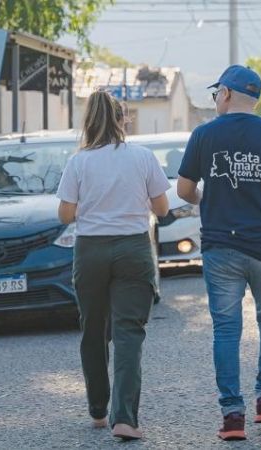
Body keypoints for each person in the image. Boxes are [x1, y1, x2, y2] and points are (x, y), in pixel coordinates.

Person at [176, 65, 261, 441]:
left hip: (221, 247)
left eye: (217, 92)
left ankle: (232, 416)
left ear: (228, 94)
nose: (215, 98)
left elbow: (184, 190)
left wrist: (207, 198)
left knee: (226, 329)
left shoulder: (203, 135)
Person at [56, 90, 170, 440]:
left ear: (88, 122)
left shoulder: (78, 162)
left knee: (93, 329)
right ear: (124, 120)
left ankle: (96, 410)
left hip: (90, 250)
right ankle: (125, 419)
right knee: (128, 333)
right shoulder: (142, 156)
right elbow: (163, 209)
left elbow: (65, 215)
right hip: (133, 249)